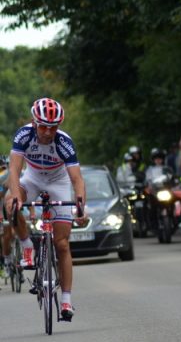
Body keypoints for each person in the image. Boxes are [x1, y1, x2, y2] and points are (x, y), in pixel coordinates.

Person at [3, 98, 86, 321]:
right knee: (9, 202)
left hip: (58, 183)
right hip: (32, 179)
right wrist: (16, 197)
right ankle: (27, 245)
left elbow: (77, 180)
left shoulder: (64, 142)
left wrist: (80, 208)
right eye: (43, 126)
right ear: (34, 121)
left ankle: (67, 300)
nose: (48, 132)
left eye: (54, 127)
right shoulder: (24, 135)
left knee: (62, 244)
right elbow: (14, 169)